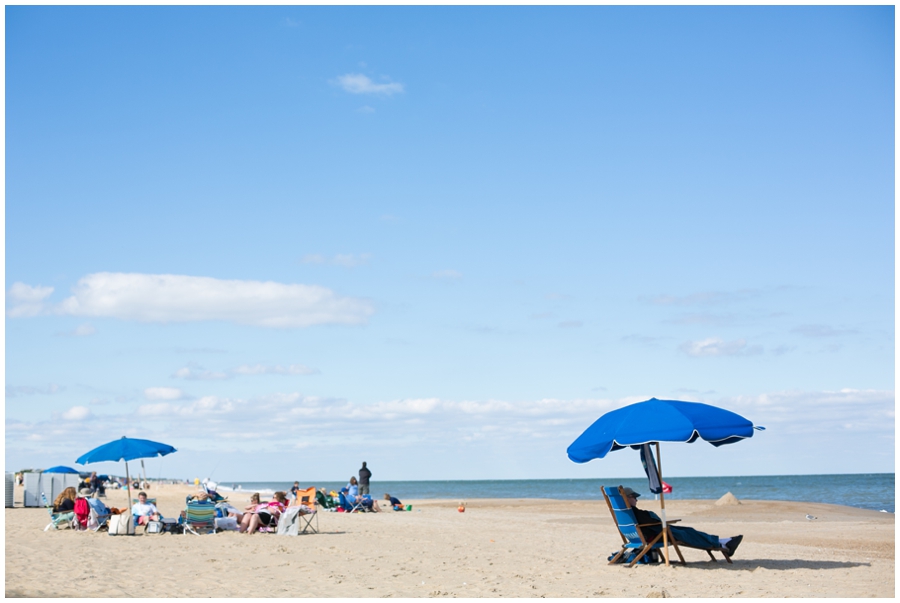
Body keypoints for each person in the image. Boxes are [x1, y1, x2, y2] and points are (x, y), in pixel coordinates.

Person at [622, 487, 743, 558]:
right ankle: (722, 543)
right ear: (626, 498)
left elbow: (646, 520)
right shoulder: (633, 512)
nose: (636, 499)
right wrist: (654, 518)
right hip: (655, 535)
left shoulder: (625, 513)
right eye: (633, 496)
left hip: (645, 535)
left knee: (688, 531)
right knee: (687, 533)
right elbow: (649, 521)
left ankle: (723, 542)